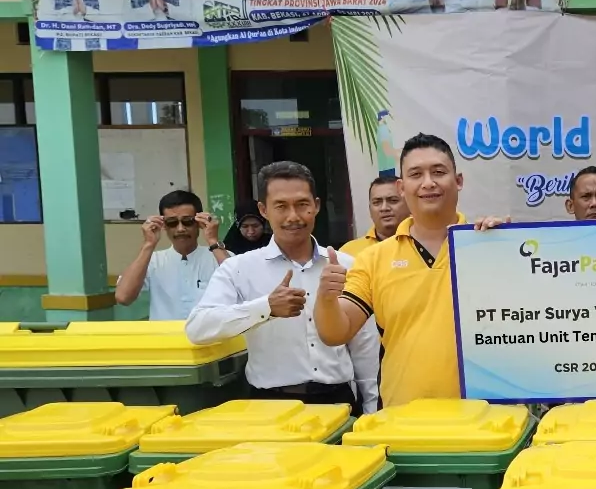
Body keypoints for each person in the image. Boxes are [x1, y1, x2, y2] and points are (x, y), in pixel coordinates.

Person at [314, 134, 506, 407]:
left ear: (459, 180)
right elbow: (336, 333)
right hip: (404, 420)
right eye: (416, 174)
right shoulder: (374, 258)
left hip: (490, 420)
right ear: (402, 187)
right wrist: (326, 298)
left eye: (438, 172)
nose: (428, 182)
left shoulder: (492, 246)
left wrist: (510, 246)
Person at [186, 162, 379, 413]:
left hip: (338, 402)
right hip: (269, 406)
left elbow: (364, 344)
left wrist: (371, 407)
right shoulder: (238, 268)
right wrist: (266, 307)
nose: (293, 217)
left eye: (302, 205)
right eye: (281, 206)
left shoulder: (344, 265)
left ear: (316, 206)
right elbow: (198, 328)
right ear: (263, 210)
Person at [115, 190, 229, 321]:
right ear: (164, 226)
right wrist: (148, 244)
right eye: (172, 223)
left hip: (210, 339)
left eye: (187, 221)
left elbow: (241, 290)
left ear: (199, 222)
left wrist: (213, 240)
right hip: (166, 339)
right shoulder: (153, 261)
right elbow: (123, 297)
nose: (180, 229)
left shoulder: (218, 256)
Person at [340, 177, 409, 257]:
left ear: (409, 205)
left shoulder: (422, 244)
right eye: (377, 202)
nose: (384, 208)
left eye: (393, 200)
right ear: (370, 209)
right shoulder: (348, 252)